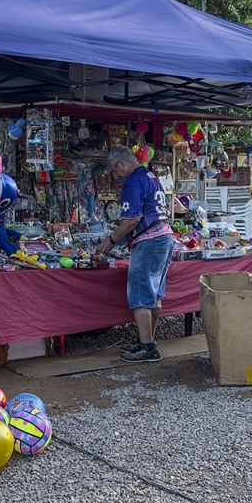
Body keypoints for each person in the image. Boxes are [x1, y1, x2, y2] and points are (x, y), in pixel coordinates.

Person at [99, 146, 174, 362]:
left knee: (140, 295)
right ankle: (147, 340)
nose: (115, 176)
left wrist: (111, 241)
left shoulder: (133, 181)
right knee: (154, 293)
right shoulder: (149, 175)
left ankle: (148, 347)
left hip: (149, 240)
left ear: (121, 164)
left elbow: (131, 219)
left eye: (114, 170)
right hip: (164, 236)